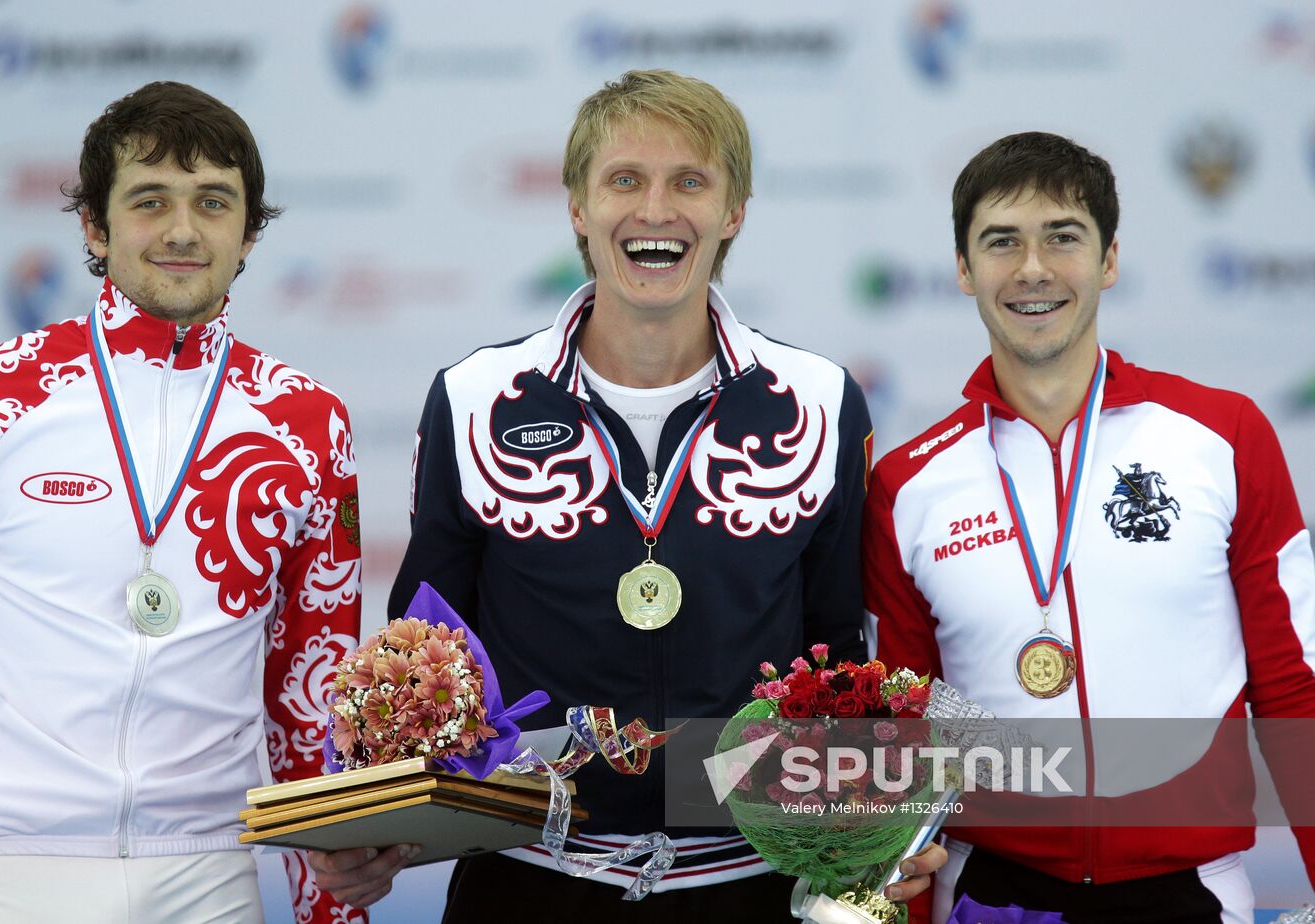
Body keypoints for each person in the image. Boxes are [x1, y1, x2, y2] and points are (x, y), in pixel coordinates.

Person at [310, 69, 945, 921]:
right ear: (577, 207)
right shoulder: (476, 396)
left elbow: (837, 654)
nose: (655, 210)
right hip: (528, 882)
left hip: (751, 888)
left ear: (734, 212)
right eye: (624, 181)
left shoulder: (820, 399)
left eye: (690, 181)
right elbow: (422, 657)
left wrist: (869, 836)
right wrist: (374, 831)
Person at [0, 82, 365, 923]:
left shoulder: (307, 422)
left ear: (249, 229)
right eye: (149, 200)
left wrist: (329, 907)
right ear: (95, 223)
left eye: (213, 201)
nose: (184, 229)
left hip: (205, 868)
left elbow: (312, 684)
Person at [865, 132, 1315, 921]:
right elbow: (898, 737)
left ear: (1108, 260)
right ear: (964, 271)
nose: (1033, 269)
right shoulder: (908, 485)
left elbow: (1295, 687)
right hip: (989, 894)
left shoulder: (1222, 437)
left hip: (1192, 892)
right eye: (1001, 242)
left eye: (1062, 238)